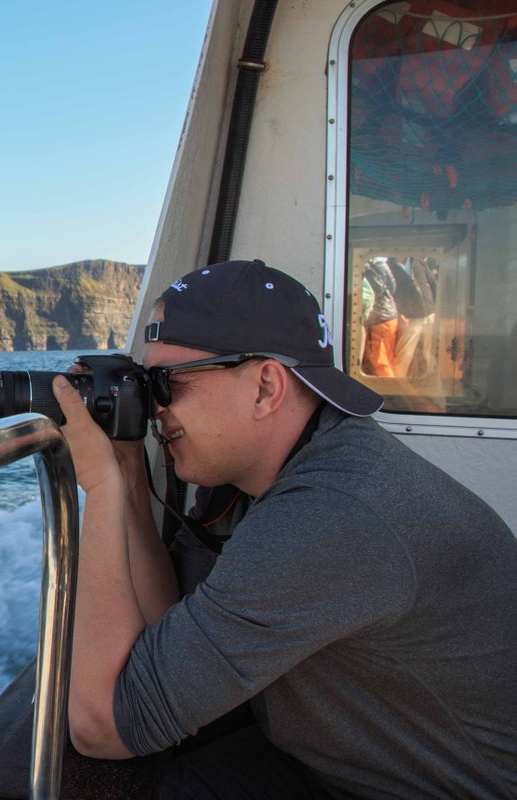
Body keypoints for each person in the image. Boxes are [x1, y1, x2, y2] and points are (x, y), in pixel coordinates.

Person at [51, 259, 517, 799]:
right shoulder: (258, 477)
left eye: (167, 383)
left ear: (266, 387)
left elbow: (102, 728)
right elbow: (167, 624)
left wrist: (100, 491)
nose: (155, 408)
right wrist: (130, 476)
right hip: (335, 760)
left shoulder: (330, 515)